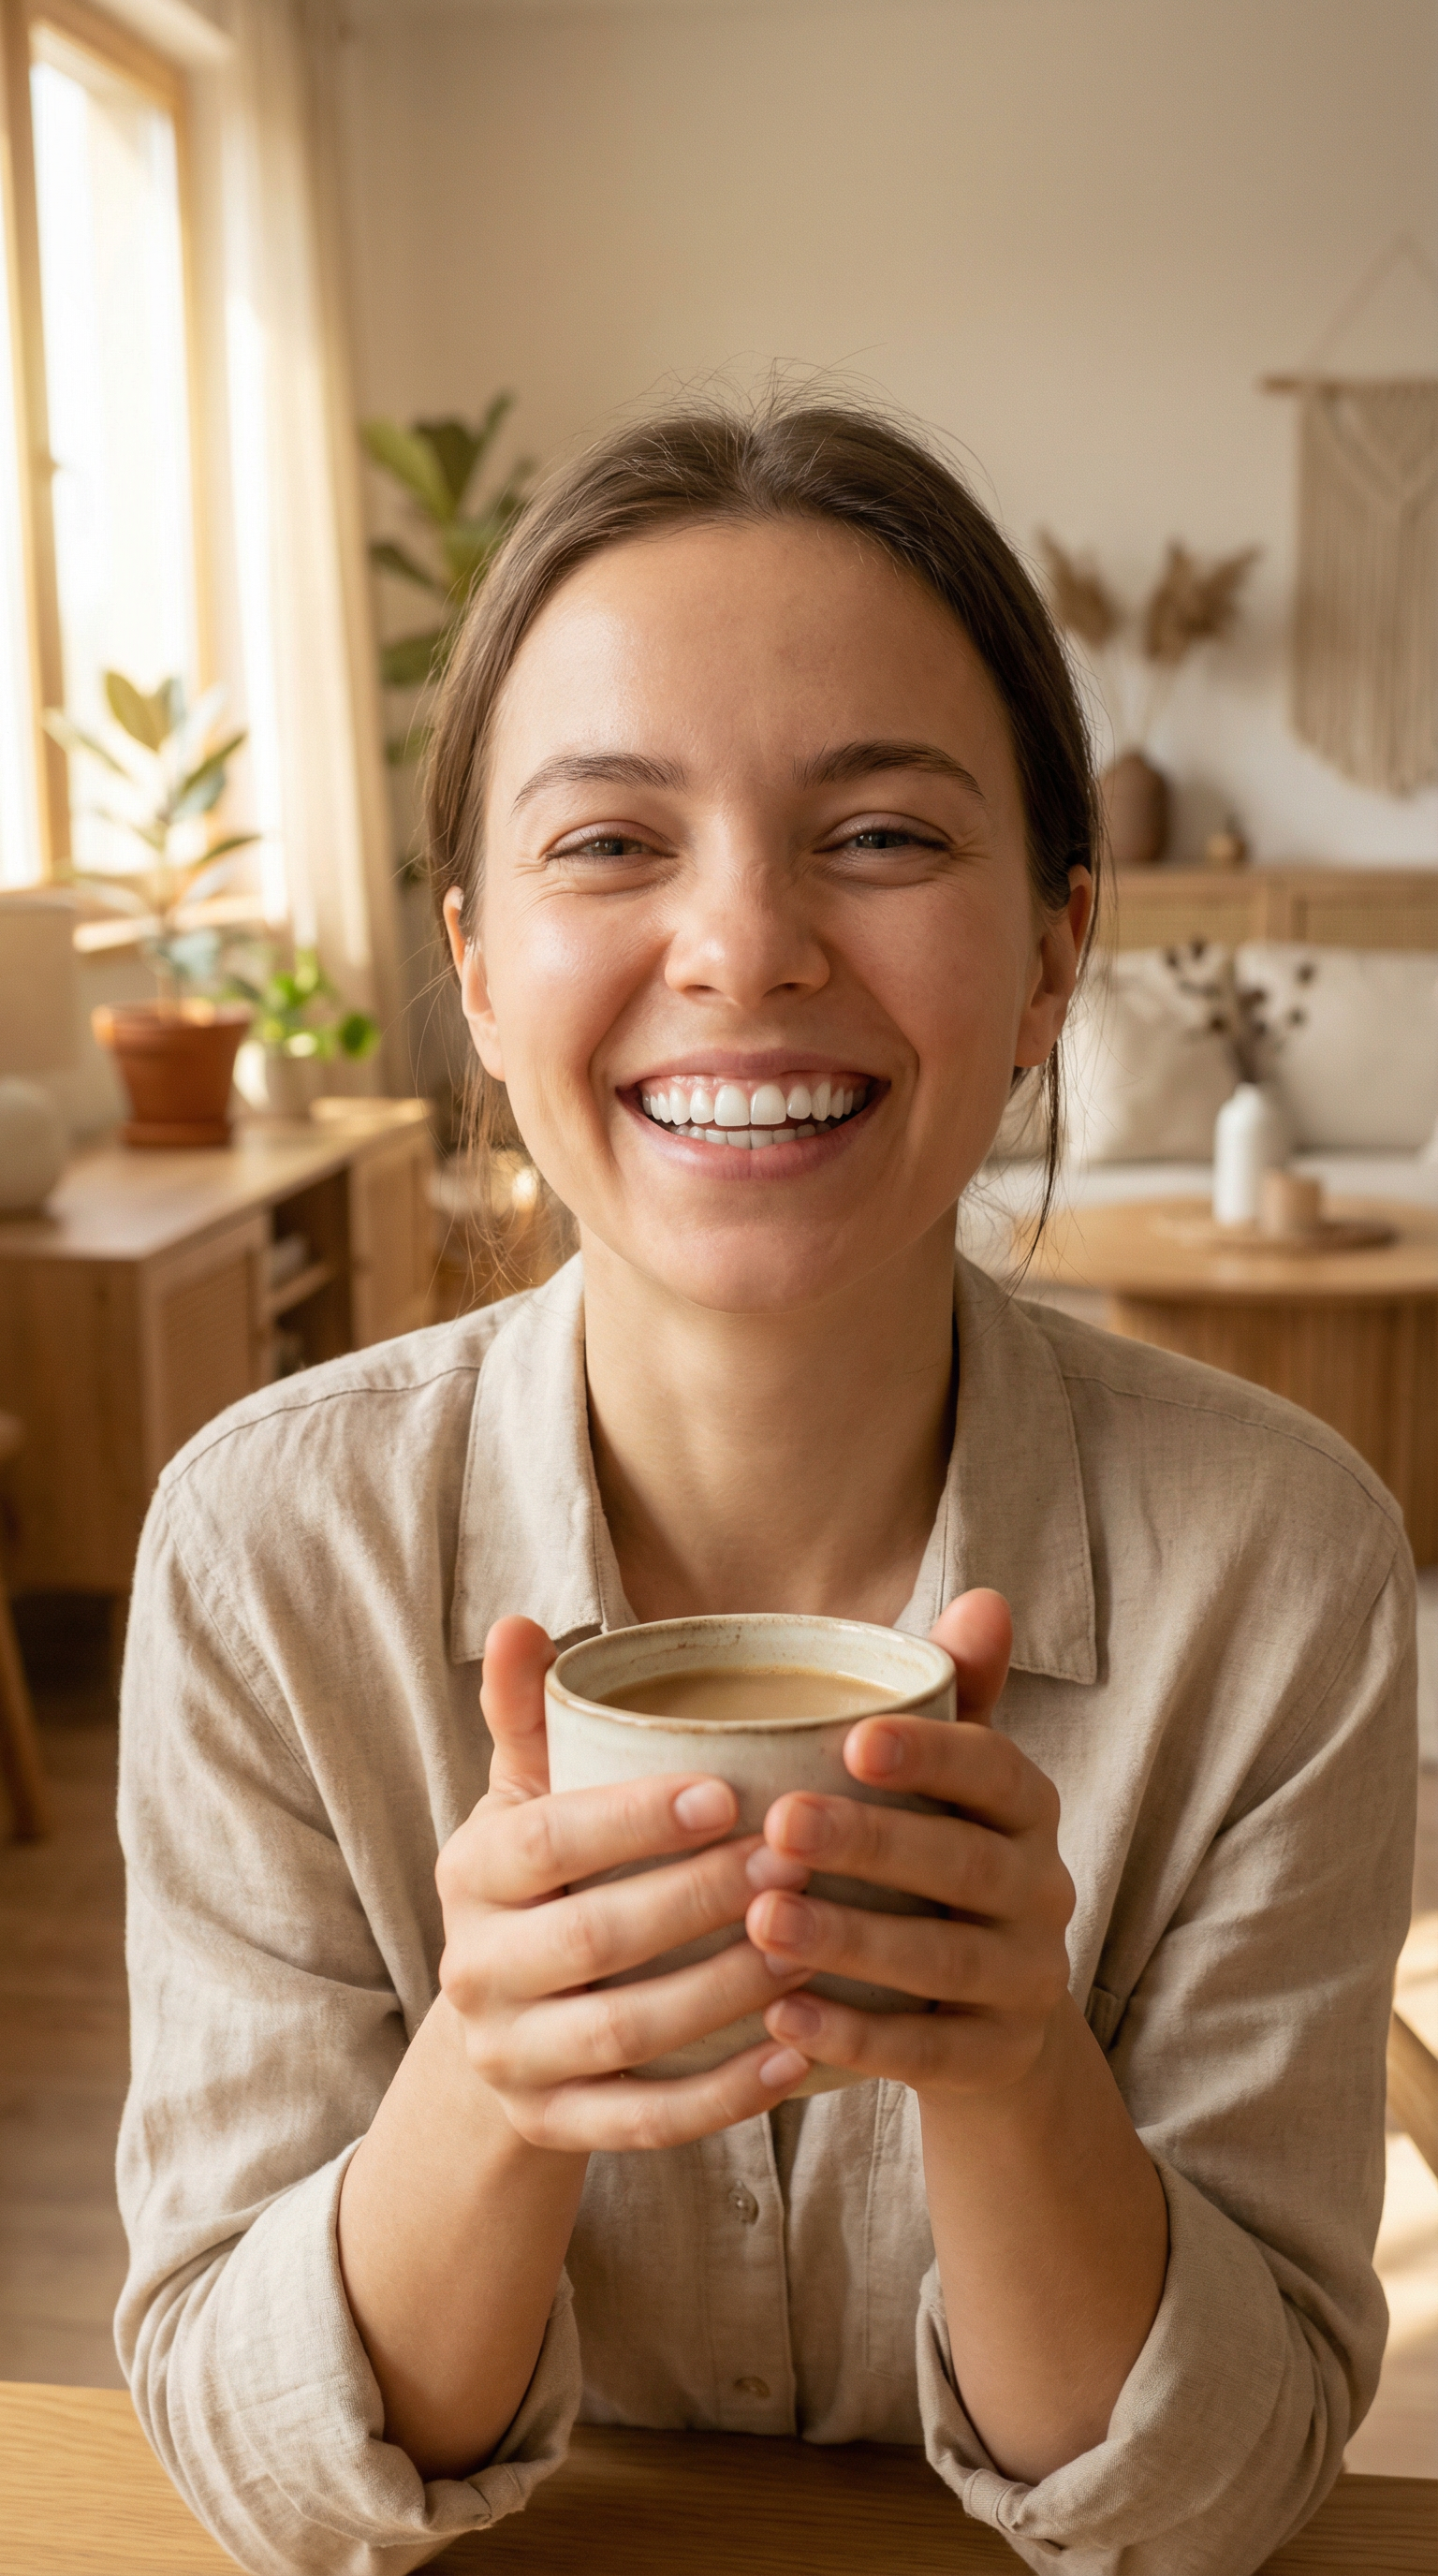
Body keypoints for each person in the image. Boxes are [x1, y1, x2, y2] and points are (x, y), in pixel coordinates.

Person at [116, 401, 1416, 2576]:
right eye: (612, 843)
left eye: (885, 838)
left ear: (1055, 953)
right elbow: (254, 2474)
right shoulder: (265, 1554)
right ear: (474, 963)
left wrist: (1012, 2071)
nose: (743, 946)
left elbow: (1225, 2493)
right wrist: (494, 2075)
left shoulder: (1281, 1570)